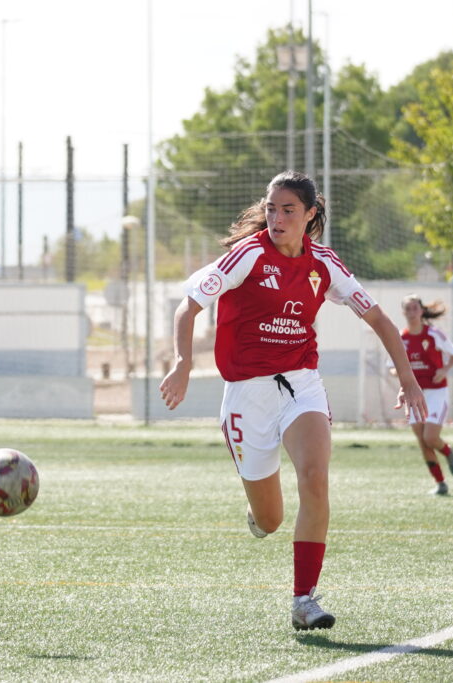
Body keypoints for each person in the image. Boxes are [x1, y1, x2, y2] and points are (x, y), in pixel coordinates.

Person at [158, 171, 427, 631]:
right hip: (248, 393)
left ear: (309, 215)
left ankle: (304, 600)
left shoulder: (324, 263)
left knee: (315, 477)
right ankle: (258, 513)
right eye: (271, 209)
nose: (277, 218)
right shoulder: (246, 255)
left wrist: (408, 377)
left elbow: (379, 318)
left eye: (288, 210)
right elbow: (189, 306)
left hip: (301, 383)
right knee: (271, 518)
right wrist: (183, 362)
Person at [389, 295, 453, 495]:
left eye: (415, 308)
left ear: (421, 311)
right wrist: (401, 373)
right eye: (408, 309)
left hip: (436, 392)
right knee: (422, 440)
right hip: (414, 395)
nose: (412, 312)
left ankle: (447, 451)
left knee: (430, 437)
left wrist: (444, 369)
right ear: (403, 313)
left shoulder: (434, 334)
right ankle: (440, 483)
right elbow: (391, 367)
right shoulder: (401, 339)